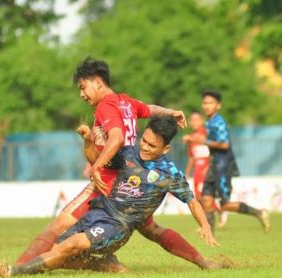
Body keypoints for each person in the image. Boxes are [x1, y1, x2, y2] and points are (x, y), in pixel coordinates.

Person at [15, 57, 213, 271]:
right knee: (153, 230)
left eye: (83, 87)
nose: (81, 94)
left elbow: (116, 137)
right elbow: (149, 108)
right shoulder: (126, 102)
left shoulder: (105, 106)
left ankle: (15, 269)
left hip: (110, 182)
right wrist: (170, 112)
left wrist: (96, 167)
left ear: (98, 82)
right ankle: (204, 262)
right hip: (133, 184)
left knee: (57, 227)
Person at [0, 116, 220, 277]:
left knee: (70, 246)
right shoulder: (128, 153)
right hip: (98, 212)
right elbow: (95, 160)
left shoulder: (169, 174)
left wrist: (205, 226)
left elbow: (191, 200)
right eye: (145, 140)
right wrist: (88, 140)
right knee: (60, 251)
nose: (145, 147)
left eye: (152, 145)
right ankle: (105, 265)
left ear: (166, 149)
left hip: (118, 226)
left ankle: (11, 272)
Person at [189, 90, 270, 233]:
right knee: (206, 201)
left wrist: (205, 141)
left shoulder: (219, 121)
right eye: (205, 103)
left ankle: (259, 213)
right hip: (213, 165)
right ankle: (209, 237)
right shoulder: (210, 121)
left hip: (223, 166)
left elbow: (225, 144)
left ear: (218, 105)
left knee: (225, 205)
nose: (207, 106)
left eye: (211, 103)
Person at [182, 111, 228, 228]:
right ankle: (219, 211)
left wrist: (210, 167)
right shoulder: (191, 138)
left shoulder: (206, 134)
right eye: (191, 120)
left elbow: (213, 150)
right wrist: (187, 173)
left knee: (204, 197)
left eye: (196, 119)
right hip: (198, 170)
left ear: (201, 121)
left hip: (207, 169)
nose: (193, 122)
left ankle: (212, 219)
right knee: (198, 198)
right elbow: (192, 157)